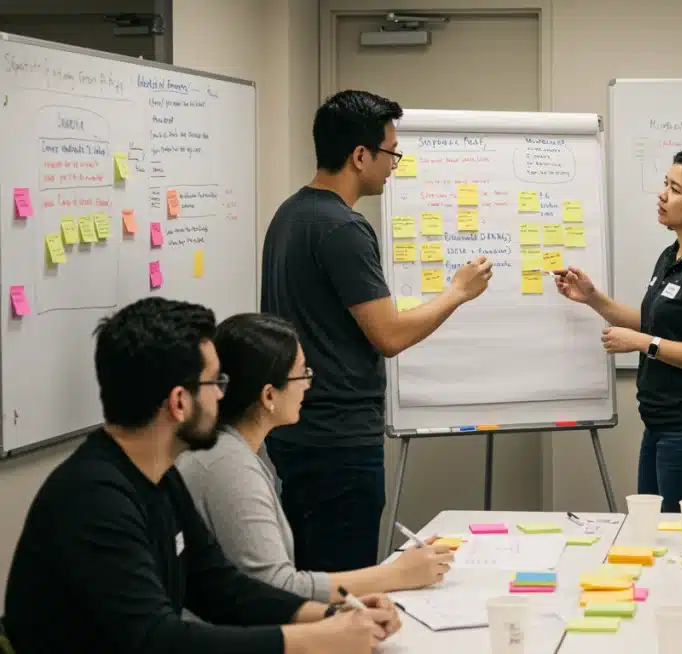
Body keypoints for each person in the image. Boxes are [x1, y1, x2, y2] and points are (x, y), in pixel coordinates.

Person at [1, 298, 401, 654]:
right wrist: (313, 640)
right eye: (215, 383)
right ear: (179, 402)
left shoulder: (156, 473)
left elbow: (218, 585)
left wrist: (332, 613)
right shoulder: (93, 500)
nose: (223, 395)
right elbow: (156, 639)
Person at [260, 90, 492, 572]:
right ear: (359, 155)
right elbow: (388, 335)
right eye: (390, 153)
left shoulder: (291, 214)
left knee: (311, 579)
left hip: (297, 434)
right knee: (346, 587)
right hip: (338, 443)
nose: (394, 165)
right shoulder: (342, 227)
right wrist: (457, 292)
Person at [177, 313, 455, 603]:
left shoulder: (227, 451)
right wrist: (397, 574)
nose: (308, 384)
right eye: (301, 374)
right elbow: (276, 588)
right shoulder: (228, 466)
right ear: (269, 396)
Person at [554, 147, 682, 513]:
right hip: (663, 424)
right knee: (656, 537)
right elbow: (657, 323)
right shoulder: (672, 256)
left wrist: (645, 345)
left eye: (676, 190)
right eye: (665, 184)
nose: (662, 195)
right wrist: (594, 299)